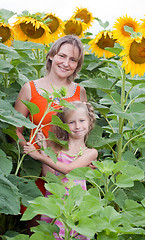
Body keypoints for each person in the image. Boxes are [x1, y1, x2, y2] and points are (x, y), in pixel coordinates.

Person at [14, 35, 87, 199]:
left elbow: (83, 131)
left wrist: (84, 157)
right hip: (35, 168)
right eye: (62, 56)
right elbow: (15, 130)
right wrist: (29, 150)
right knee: (36, 218)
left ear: (77, 66)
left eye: (73, 60)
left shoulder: (79, 92)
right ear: (51, 55)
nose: (66, 63)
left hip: (68, 167)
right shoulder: (30, 89)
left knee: (67, 219)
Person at [23, 101, 98, 240]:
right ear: (64, 125)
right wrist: (44, 149)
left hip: (75, 205)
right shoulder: (56, 148)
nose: (77, 126)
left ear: (90, 122)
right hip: (54, 203)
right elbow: (48, 176)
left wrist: (40, 156)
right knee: (53, 235)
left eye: (82, 120)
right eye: (71, 122)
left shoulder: (90, 153)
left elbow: (69, 170)